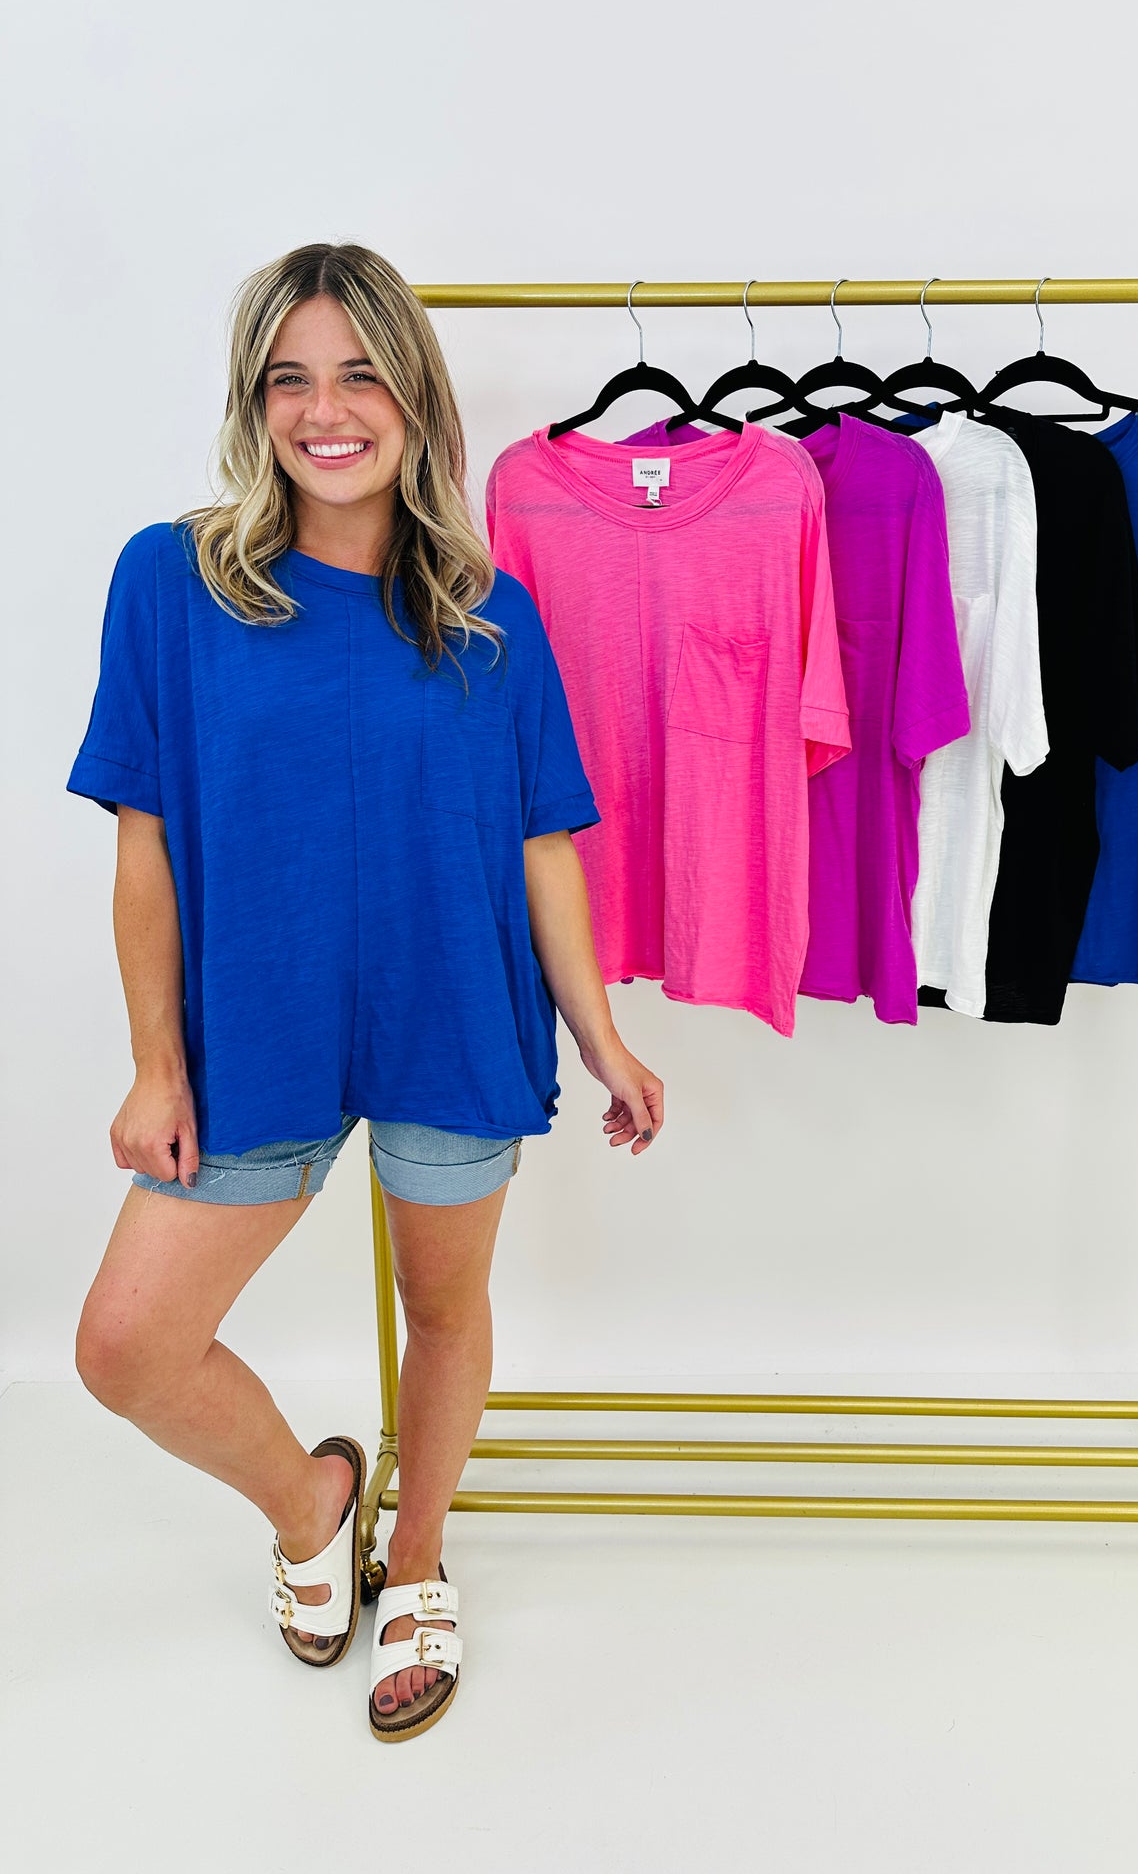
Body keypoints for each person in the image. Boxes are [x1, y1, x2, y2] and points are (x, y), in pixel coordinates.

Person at [67, 240, 664, 1743]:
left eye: (360, 376)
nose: (325, 412)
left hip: (451, 1019)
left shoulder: (490, 617)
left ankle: (419, 1561)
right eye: (291, 380)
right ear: (253, 401)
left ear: (415, 398)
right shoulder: (172, 582)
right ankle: (312, 1504)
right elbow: (145, 848)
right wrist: (156, 1063)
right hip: (254, 1034)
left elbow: (540, 845)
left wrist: (601, 1036)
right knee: (126, 1346)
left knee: (443, 1311)